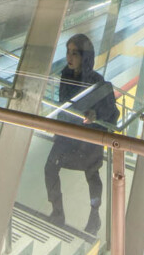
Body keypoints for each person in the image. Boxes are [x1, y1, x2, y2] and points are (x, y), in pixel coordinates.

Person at [44, 34, 118, 234]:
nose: (69, 57)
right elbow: (64, 105)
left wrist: (96, 115)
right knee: (50, 167)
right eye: (68, 52)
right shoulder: (65, 75)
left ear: (85, 57)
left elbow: (112, 111)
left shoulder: (97, 81)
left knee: (92, 173)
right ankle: (57, 212)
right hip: (68, 134)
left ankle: (95, 215)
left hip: (88, 137)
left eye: (75, 53)